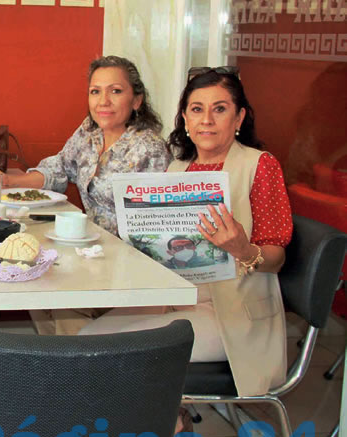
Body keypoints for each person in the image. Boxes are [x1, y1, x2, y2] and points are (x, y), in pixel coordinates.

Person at [80, 67, 293, 407]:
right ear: (184, 118)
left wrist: (241, 248)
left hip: (231, 316)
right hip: (177, 296)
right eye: (197, 109)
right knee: (84, 339)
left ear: (239, 118)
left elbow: (276, 259)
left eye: (220, 109)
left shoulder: (260, 165)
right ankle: (159, 422)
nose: (206, 120)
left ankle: (148, 434)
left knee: (103, 352)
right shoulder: (179, 167)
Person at [0, 55, 171, 236]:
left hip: (130, 255)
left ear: (136, 100)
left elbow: (155, 225)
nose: (103, 101)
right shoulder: (89, 131)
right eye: (95, 91)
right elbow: (60, 168)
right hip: (92, 242)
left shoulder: (150, 148)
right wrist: (8, 181)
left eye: (116, 91)